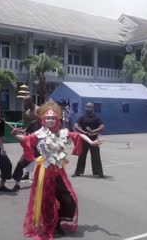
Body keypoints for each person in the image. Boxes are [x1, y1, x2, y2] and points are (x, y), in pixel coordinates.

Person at [11, 100, 101, 239]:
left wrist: (91, 142)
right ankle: (50, 225)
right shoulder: (38, 134)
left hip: (58, 170)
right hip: (44, 171)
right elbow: (26, 139)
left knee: (68, 199)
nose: (51, 120)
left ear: (57, 119)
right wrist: (15, 134)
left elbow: (78, 135)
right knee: (47, 201)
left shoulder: (63, 132)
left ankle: (58, 221)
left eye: (53, 118)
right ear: (43, 119)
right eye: (48, 118)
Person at [11, 96, 41, 189]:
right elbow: (29, 127)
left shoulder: (39, 109)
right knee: (22, 162)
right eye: (24, 102)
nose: (25, 104)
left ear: (31, 101)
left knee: (45, 163)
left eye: (26, 101)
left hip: (42, 141)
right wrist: (23, 131)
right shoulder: (27, 113)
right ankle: (17, 182)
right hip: (32, 140)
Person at [72, 102, 105, 178]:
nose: (88, 108)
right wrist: (84, 132)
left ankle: (99, 172)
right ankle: (78, 172)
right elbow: (76, 126)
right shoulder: (82, 117)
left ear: (93, 108)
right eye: (87, 107)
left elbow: (102, 126)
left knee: (96, 156)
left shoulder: (96, 118)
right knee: (81, 156)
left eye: (90, 107)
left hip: (94, 139)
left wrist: (93, 131)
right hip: (84, 139)